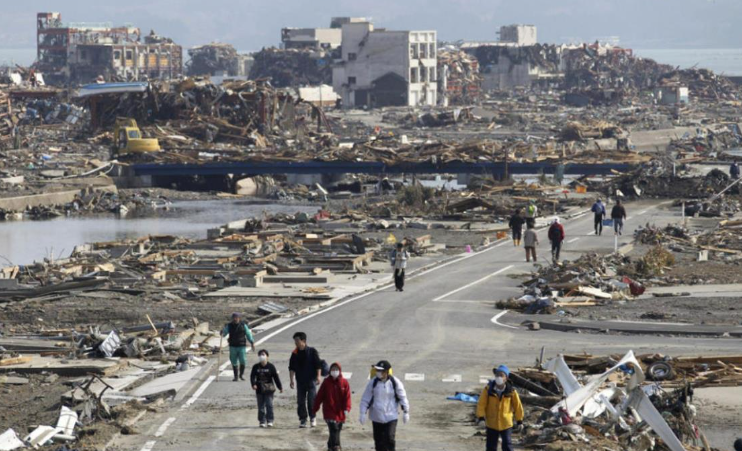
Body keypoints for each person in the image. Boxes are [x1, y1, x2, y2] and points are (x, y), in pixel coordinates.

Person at [359, 360, 410, 451]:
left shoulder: (395, 382)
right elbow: (365, 399)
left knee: (389, 438)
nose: (378, 372)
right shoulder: (373, 383)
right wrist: (362, 413)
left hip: (391, 417)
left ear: (386, 371)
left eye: (380, 371)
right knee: (379, 442)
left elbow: (402, 397)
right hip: (376, 417)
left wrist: (406, 411)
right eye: (377, 370)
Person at [476, 365, 524, 451]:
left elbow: (518, 406)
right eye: (497, 375)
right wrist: (481, 418)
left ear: (506, 378)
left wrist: (519, 420)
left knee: (507, 447)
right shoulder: (488, 390)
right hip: (491, 424)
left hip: (506, 424)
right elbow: (481, 404)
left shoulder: (511, 392)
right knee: (491, 447)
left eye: (501, 375)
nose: (499, 377)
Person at [313, 363, 352, 451]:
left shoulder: (344, 382)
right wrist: (315, 408)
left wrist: (347, 408)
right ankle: (336, 446)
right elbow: (319, 396)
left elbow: (347, 396)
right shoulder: (326, 382)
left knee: (337, 429)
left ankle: (330, 445)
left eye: (336, 369)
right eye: (333, 369)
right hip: (329, 410)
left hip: (340, 412)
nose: (334, 371)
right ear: (330, 371)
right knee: (334, 428)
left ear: (340, 370)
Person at [289, 332, 323, 428]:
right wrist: (291, 380)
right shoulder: (294, 353)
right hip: (300, 381)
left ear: (303, 341)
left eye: (297, 340)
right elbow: (291, 368)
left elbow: (318, 365)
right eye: (295, 340)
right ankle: (303, 419)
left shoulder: (312, 351)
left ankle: (313, 417)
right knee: (300, 401)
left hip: (311, 380)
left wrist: (318, 376)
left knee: (311, 400)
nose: (295, 342)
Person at [250, 349, 283, 428]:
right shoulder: (255, 366)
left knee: (269, 405)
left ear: (267, 356)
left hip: (269, 388)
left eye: (263, 354)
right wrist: (253, 384)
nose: (262, 356)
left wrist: (280, 387)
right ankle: (262, 421)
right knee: (261, 406)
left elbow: (276, 377)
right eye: (260, 354)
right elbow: (252, 376)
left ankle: (270, 420)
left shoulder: (271, 366)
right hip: (259, 389)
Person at [221, 313, 255, 382]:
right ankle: (236, 376)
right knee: (233, 361)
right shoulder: (229, 326)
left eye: (236, 317)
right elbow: (224, 333)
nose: (235, 319)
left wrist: (252, 342)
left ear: (239, 318)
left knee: (243, 360)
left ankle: (241, 375)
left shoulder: (243, 325)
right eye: (234, 317)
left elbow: (248, 334)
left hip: (241, 345)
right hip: (232, 346)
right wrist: (222, 332)